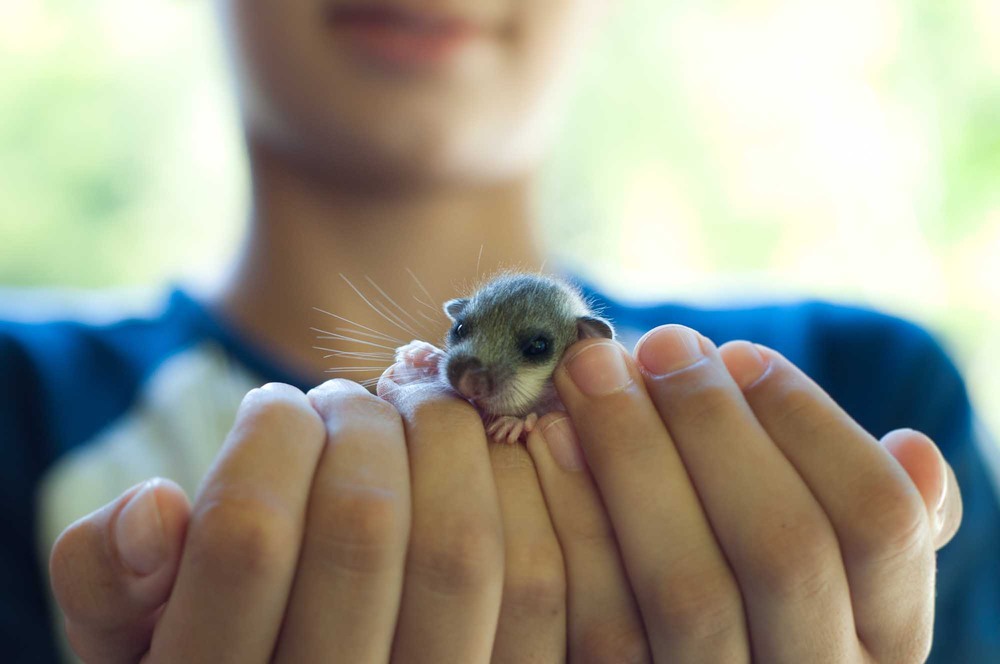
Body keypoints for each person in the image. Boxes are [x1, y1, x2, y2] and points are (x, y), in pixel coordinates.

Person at [1, 1, 995, 662]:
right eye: (470, 349)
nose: (475, 379)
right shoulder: (23, 400)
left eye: (520, 357)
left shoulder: (869, 386)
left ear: (583, 348)